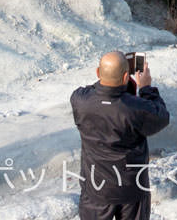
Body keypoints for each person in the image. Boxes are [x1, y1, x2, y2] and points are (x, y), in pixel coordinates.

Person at [70, 51, 170, 220]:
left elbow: (97, 90)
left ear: (97, 73)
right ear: (126, 77)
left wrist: (112, 78)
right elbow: (162, 116)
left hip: (96, 189)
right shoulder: (137, 108)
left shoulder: (80, 101)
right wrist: (146, 88)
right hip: (132, 187)